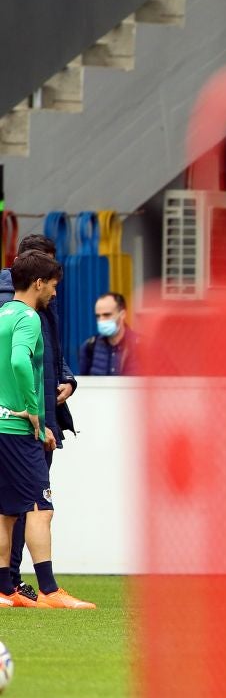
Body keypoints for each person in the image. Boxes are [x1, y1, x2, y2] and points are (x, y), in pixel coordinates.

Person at [0, 250, 93, 608]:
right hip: (18, 427)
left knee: (6, 511)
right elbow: (20, 361)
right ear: (38, 283)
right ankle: (50, 589)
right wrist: (33, 412)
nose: (54, 293)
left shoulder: (3, 312)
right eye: (53, 286)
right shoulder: (27, 317)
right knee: (41, 506)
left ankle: (5, 589)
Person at [80, 292, 137, 375]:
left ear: (122, 314)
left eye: (107, 315)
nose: (101, 320)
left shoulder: (143, 346)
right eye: (98, 316)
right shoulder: (89, 347)